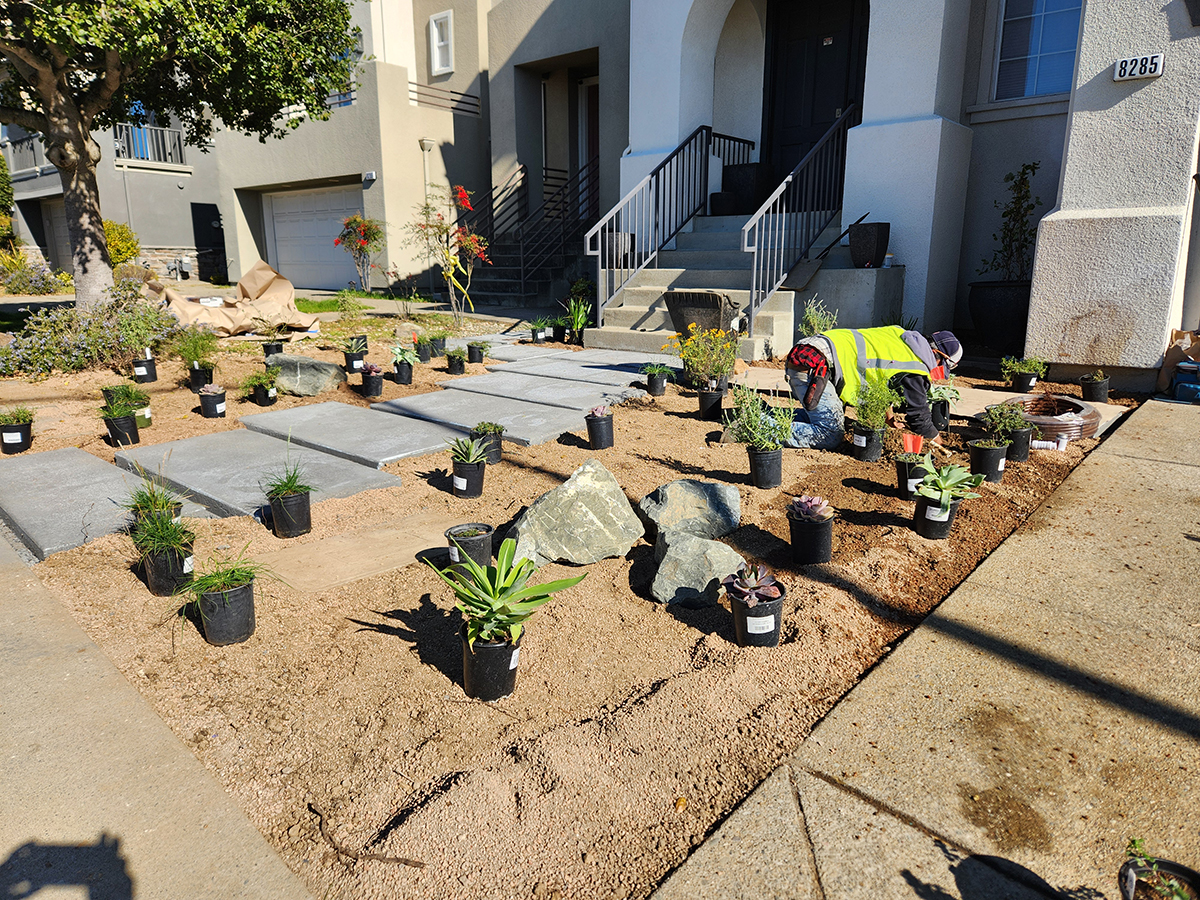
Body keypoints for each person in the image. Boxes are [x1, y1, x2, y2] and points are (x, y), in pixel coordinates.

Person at [782, 325, 963, 449]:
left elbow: (878, 376)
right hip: (815, 364)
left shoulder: (901, 337)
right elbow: (919, 416)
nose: (939, 371)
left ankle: (765, 413)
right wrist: (937, 440)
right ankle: (760, 427)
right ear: (937, 354)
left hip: (810, 350)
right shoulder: (916, 366)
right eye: (943, 366)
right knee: (831, 433)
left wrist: (889, 417)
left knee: (821, 417)